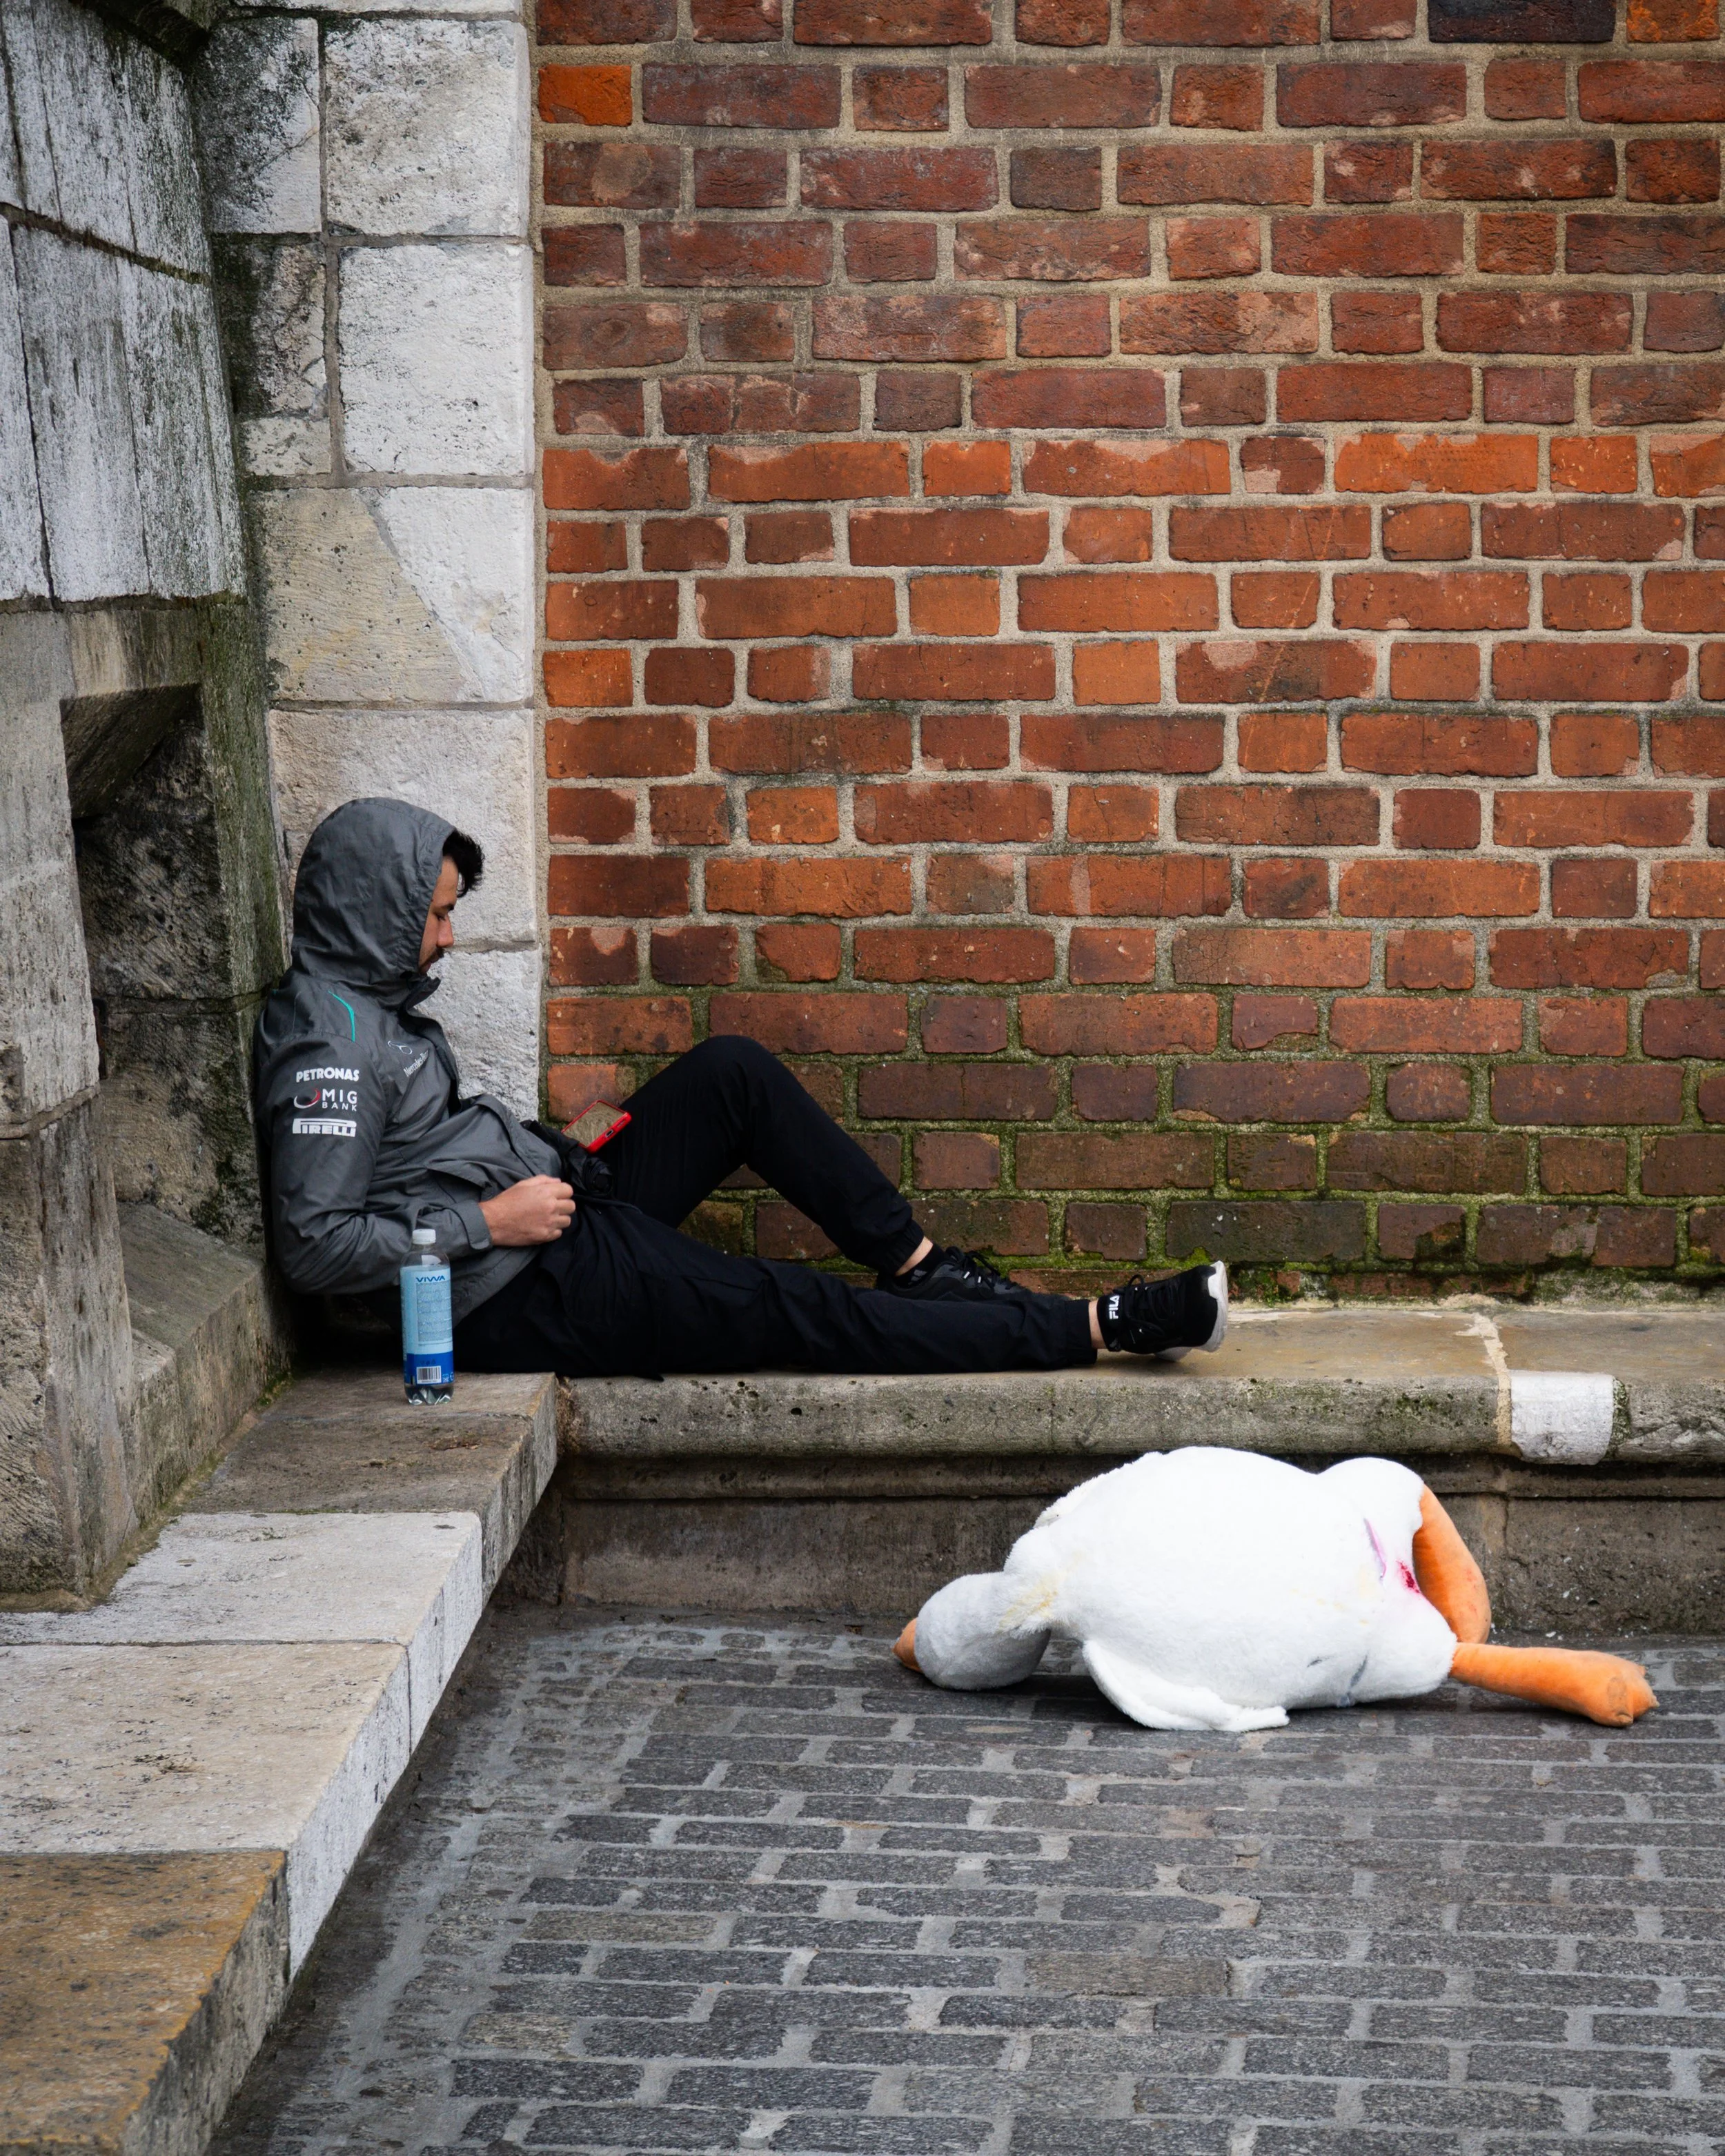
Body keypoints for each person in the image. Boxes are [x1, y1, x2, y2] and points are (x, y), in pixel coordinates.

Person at [255, 798, 1230, 1381]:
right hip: (523, 1284)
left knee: (728, 1071)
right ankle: (1102, 1324)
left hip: (555, 1182)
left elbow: (428, 1150)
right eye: (434, 917)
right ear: (376, 914)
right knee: (785, 1302)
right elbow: (313, 1246)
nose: (447, 937)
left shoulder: (373, 1006)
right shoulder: (329, 1052)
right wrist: (491, 1222)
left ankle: (919, 1263)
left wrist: (555, 1143)